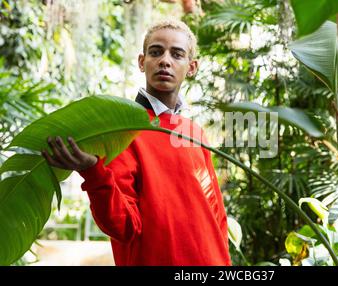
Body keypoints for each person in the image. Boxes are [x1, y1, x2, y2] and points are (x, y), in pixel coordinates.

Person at [41, 20, 231, 266]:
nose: (165, 60)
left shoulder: (194, 132)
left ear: (192, 67)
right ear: (142, 62)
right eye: (156, 52)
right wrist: (93, 173)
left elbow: (217, 213)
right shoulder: (124, 131)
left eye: (177, 54)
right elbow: (124, 227)